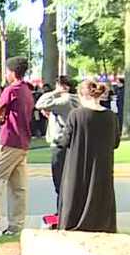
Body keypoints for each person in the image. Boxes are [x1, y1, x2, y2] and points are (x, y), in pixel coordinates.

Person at [0, 56, 34, 238]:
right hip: (23, 141)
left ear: (11, 72)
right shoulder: (27, 90)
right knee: (18, 186)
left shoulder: (11, 89)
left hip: (9, 140)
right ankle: (16, 225)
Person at [58, 80, 120, 233]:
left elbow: (65, 140)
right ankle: (101, 224)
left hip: (78, 163)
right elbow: (115, 142)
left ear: (81, 95)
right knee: (100, 193)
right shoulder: (111, 116)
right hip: (102, 165)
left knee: (75, 193)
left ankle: (74, 223)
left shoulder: (76, 115)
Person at [35, 75, 80, 209]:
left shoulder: (64, 101)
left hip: (60, 143)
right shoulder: (77, 100)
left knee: (60, 181)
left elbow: (39, 104)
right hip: (73, 142)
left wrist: (55, 92)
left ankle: (62, 211)